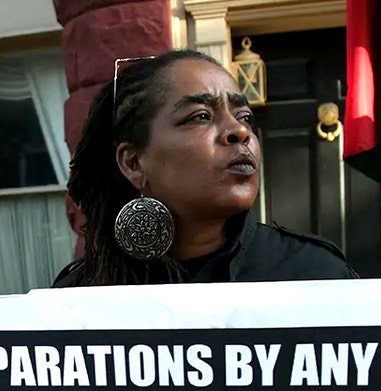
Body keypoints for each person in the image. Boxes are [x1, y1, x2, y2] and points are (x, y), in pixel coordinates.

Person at [51, 49, 356, 287]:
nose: (239, 131)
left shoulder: (316, 274)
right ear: (134, 162)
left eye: (245, 117)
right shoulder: (80, 297)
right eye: (200, 116)